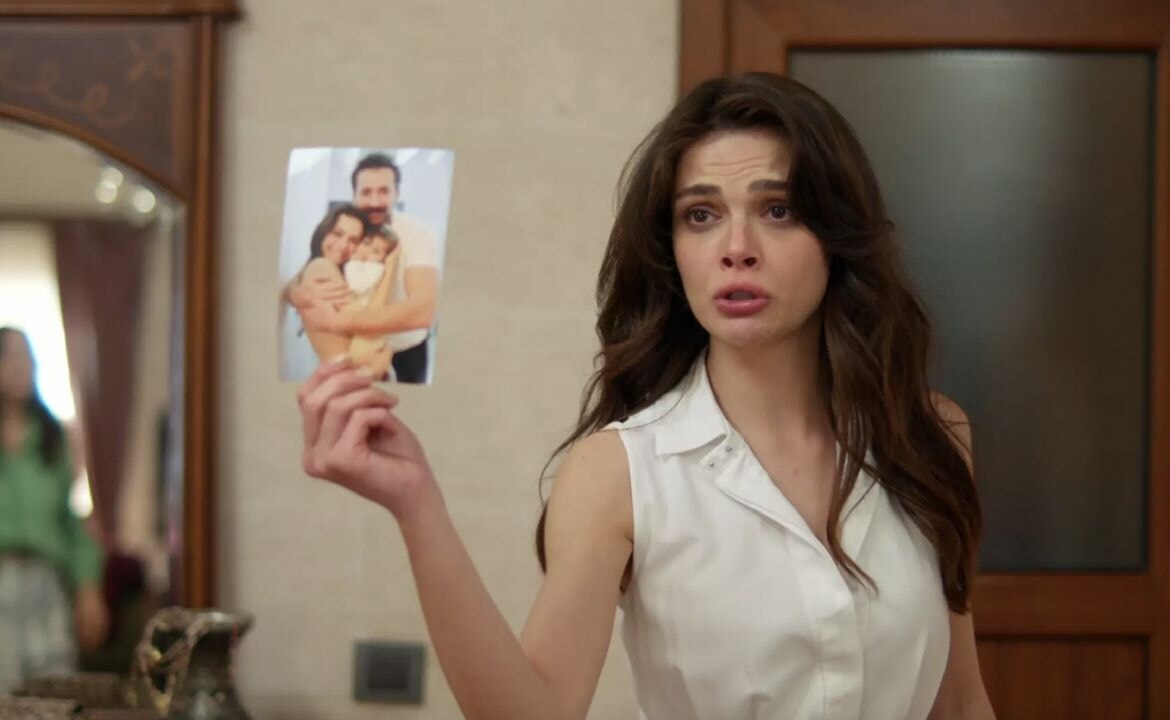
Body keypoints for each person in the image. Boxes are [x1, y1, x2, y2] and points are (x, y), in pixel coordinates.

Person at [296, 72, 995, 719]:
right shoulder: (619, 472)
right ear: (672, 249)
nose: (736, 247)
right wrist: (417, 507)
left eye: (778, 209)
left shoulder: (931, 437)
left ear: (836, 237)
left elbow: (961, 704)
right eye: (701, 215)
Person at [0, 327, 107, 692]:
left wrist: (88, 586)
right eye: (11, 356)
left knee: (53, 693)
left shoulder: (54, 438)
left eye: (27, 356)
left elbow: (72, 521)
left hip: (46, 586)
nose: (22, 365)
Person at [289, 153, 440, 383]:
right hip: (357, 345)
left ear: (397, 193)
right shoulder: (350, 229)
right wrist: (298, 294)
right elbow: (298, 279)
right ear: (354, 195)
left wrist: (335, 321)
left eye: (384, 191)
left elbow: (423, 311)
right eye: (366, 192)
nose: (375, 202)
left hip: (406, 348)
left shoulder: (419, 234)